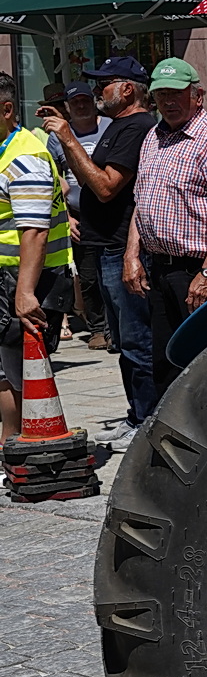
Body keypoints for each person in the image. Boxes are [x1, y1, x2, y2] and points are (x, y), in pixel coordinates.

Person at [41, 57, 158, 444]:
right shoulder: (119, 127)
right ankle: (136, 413)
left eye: (104, 83)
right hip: (102, 245)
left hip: (121, 248)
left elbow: (107, 187)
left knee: (136, 340)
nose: (97, 91)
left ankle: (148, 419)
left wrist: (68, 139)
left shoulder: (137, 127)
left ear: (127, 88)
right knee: (122, 342)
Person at [123, 58, 207, 393]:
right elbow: (142, 200)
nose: (168, 101)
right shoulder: (154, 136)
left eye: (176, 92)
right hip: (161, 269)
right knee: (166, 363)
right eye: (161, 93)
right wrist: (132, 254)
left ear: (197, 95)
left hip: (201, 270)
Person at [0, 72, 73, 441]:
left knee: (22, 373)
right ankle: (12, 448)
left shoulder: (25, 155)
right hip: (9, 278)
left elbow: (35, 230)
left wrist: (25, 292)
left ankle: (32, 449)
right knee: (7, 373)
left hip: (26, 280)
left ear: (7, 109)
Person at [38, 81, 110, 349]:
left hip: (112, 213)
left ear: (93, 101)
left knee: (114, 275)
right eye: (75, 102)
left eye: (85, 100)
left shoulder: (109, 127)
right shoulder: (56, 137)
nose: (81, 105)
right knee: (89, 277)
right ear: (67, 107)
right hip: (80, 216)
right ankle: (98, 328)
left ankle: (116, 327)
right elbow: (54, 180)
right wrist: (66, 218)